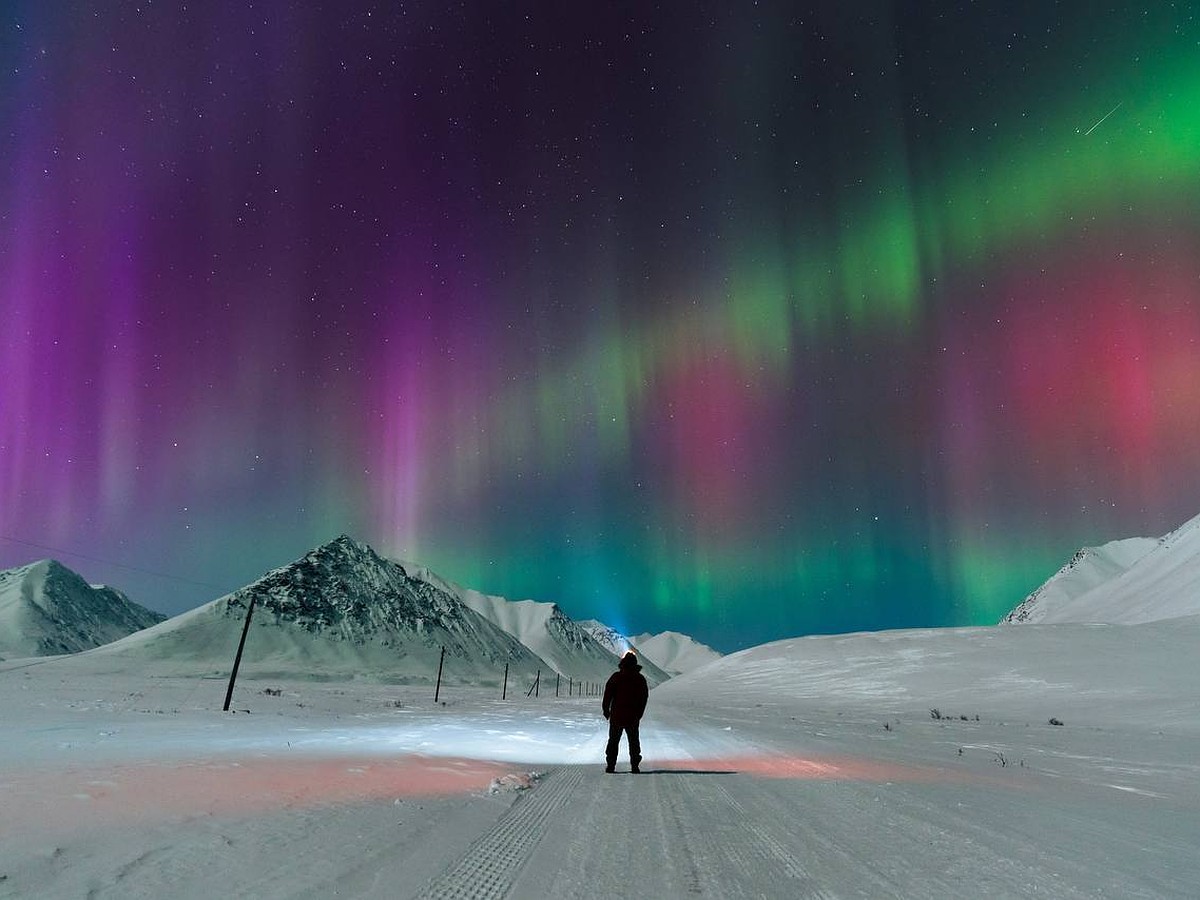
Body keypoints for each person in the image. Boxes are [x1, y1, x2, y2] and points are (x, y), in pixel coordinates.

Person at [602, 649, 649, 773]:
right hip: (632, 717)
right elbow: (644, 698)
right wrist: (639, 714)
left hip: (616, 715)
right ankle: (635, 766)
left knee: (613, 741)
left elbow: (608, 694)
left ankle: (611, 765)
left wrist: (606, 710)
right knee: (634, 742)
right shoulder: (640, 679)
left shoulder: (616, 677)